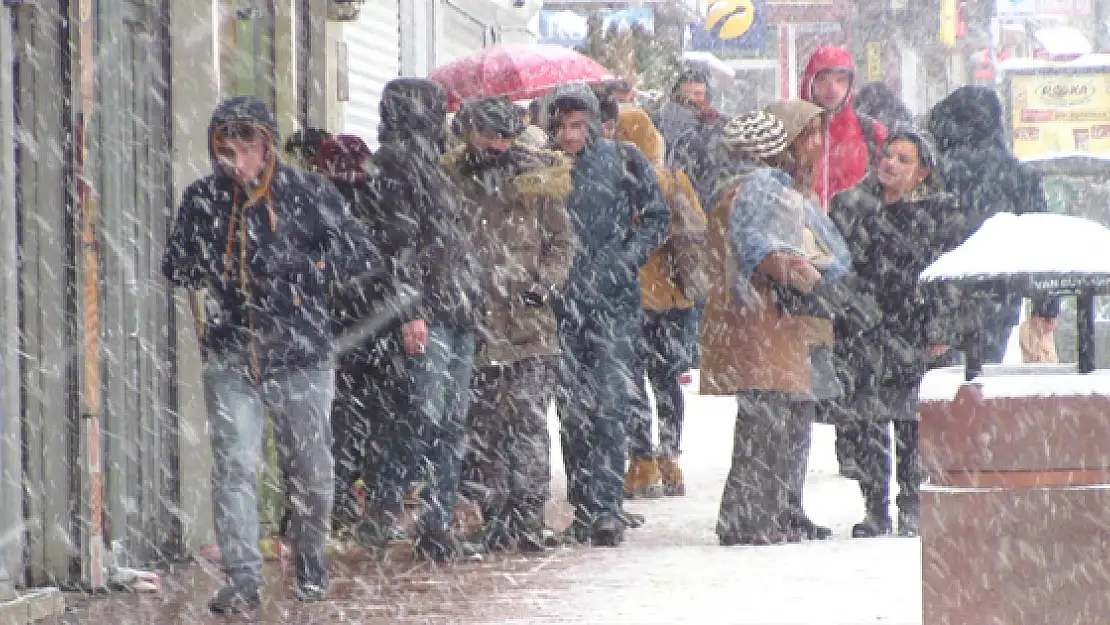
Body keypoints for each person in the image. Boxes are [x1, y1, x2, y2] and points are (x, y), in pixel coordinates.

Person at [162, 96, 378, 612]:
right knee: (235, 465)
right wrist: (206, 267)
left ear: (266, 147)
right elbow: (175, 267)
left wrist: (306, 274)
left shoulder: (307, 193)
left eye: (244, 148)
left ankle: (310, 559)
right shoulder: (203, 199)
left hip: (301, 353)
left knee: (310, 468)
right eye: (224, 150)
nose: (233, 161)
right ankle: (241, 577)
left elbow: (358, 255)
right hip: (233, 354)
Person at [702, 104, 849, 546]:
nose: (817, 145)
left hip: (784, 318)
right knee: (767, 417)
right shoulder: (760, 189)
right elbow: (757, 249)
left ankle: (781, 510)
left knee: (790, 414)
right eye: (808, 136)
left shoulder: (784, 189)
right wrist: (799, 272)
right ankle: (751, 516)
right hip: (766, 315)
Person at [444, 97, 575, 553]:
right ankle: (493, 516)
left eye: (504, 136)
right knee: (483, 429)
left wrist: (546, 286)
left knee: (528, 425)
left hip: (529, 328)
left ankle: (527, 517)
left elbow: (561, 242)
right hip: (478, 327)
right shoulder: (453, 182)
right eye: (488, 135)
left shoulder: (538, 183)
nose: (496, 145)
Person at [360, 78, 483, 563]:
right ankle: (406, 515)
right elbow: (398, 243)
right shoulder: (396, 165)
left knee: (440, 422)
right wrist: (413, 311)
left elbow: (426, 241)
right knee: (428, 420)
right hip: (433, 311)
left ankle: (425, 521)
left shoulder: (425, 162)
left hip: (450, 308)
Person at [548, 83, 669, 546]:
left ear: (596, 125)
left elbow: (656, 217)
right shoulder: (546, 168)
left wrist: (623, 261)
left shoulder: (623, 160)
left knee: (611, 405)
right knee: (573, 409)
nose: (570, 134)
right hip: (562, 303)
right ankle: (584, 502)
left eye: (578, 124)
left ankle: (607, 505)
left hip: (613, 301)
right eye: (562, 125)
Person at [830, 128, 960, 538]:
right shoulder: (849, 205)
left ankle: (911, 503)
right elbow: (838, 266)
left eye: (905, 160)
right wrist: (851, 311)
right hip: (864, 327)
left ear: (922, 173)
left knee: (910, 421)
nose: (891, 164)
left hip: (913, 328)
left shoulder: (939, 215)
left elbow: (946, 278)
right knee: (868, 418)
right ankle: (875, 507)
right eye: (889, 155)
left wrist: (939, 325)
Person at [801, 46, 889, 479]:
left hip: (858, 258)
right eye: (823, 78)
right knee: (814, 354)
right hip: (808, 257)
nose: (831, 87)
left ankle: (852, 444)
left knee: (855, 357)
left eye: (840, 78)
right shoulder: (796, 128)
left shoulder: (871, 133)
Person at [927, 85, 1056, 364]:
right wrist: (1046, 305)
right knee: (983, 375)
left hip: (940, 288)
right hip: (999, 291)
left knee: (937, 382)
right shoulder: (1019, 174)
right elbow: (1039, 241)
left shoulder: (936, 169)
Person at [617, 106, 707, 500]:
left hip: (630, 296)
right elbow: (698, 229)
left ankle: (642, 459)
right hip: (671, 297)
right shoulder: (673, 181)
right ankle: (670, 456)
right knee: (667, 380)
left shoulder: (613, 180)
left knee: (633, 379)